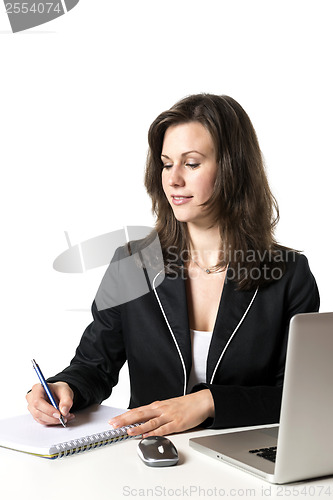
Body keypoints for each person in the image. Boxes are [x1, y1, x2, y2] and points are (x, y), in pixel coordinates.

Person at [26, 94, 320, 437]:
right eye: (167, 163)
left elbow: (298, 399)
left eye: (191, 163)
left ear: (233, 168)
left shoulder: (289, 275)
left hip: (247, 459)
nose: (173, 179)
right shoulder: (133, 264)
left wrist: (209, 402)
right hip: (149, 454)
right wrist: (65, 388)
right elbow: (94, 366)